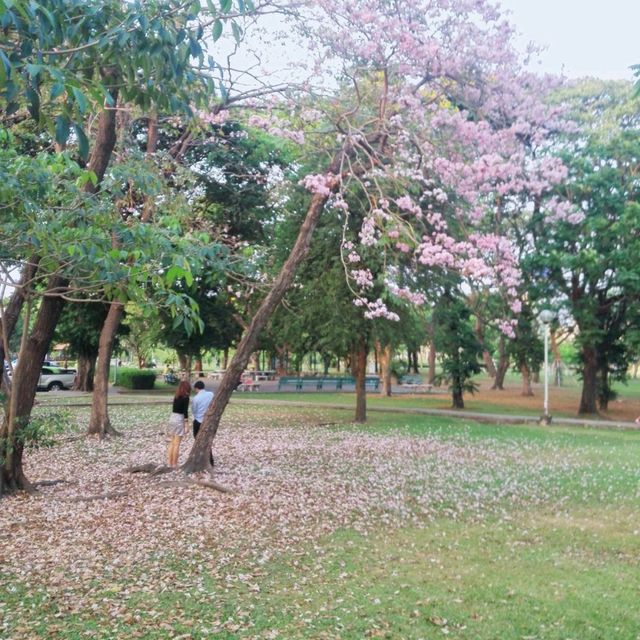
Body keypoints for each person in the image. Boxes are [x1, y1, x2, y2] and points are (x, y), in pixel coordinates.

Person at [166, 380, 191, 468]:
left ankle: (169, 462)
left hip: (172, 418)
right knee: (177, 444)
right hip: (179, 419)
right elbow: (185, 411)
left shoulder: (176, 396)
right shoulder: (186, 397)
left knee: (172, 442)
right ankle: (174, 464)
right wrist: (187, 424)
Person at [192, 380, 215, 466]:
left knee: (197, 438)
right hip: (209, 419)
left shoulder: (196, 398)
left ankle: (200, 458)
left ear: (196, 388)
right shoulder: (211, 394)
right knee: (206, 440)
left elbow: (194, 411)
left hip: (198, 420)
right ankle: (209, 459)